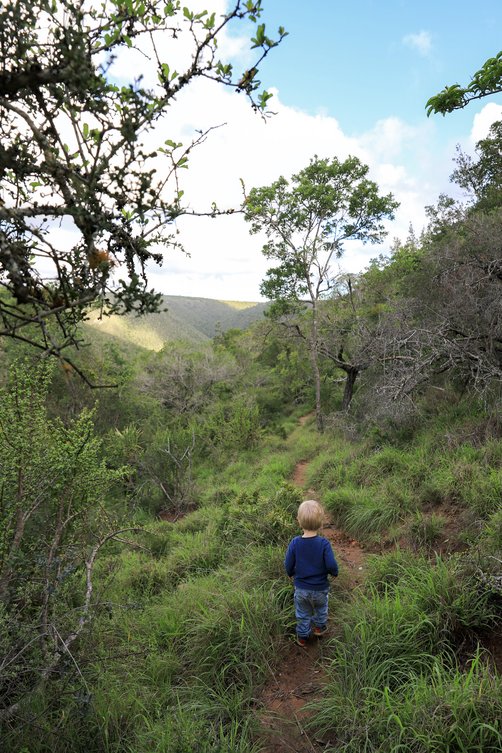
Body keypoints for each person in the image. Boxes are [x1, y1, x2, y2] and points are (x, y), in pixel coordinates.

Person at [284, 499, 339, 647]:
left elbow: (288, 563)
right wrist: (334, 572)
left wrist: (290, 573)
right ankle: (319, 628)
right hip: (320, 589)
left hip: (301, 589)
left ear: (299, 521)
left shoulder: (295, 543)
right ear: (321, 523)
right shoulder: (324, 544)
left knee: (302, 613)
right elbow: (331, 564)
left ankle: (302, 637)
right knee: (321, 609)